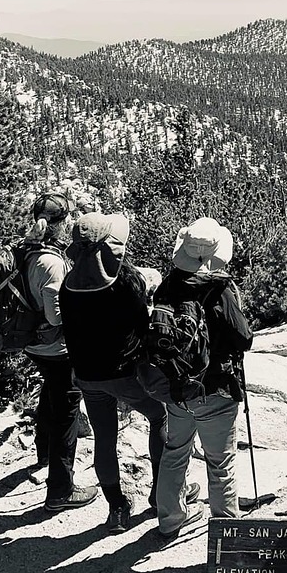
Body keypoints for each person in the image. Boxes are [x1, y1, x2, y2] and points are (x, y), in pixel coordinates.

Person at [60, 212, 196, 533]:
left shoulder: (68, 286)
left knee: (105, 438)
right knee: (159, 417)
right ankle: (159, 493)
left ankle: (117, 509)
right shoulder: (126, 280)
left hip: (88, 377)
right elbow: (142, 326)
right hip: (126, 374)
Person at [153, 217, 253, 542]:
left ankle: (169, 520)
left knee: (175, 452)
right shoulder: (220, 290)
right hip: (216, 390)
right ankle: (226, 540)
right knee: (220, 464)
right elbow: (244, 338)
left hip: (178, 388)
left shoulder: (166, 286)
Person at [23, 191, 98, 512]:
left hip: (33, 344)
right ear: (62, 222)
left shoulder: (25, 248)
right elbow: (56, 316)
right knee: (67, 411)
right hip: (56, 348)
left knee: (49, 393)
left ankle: (43, 453)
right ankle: (61, 491)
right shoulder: (51, 262)